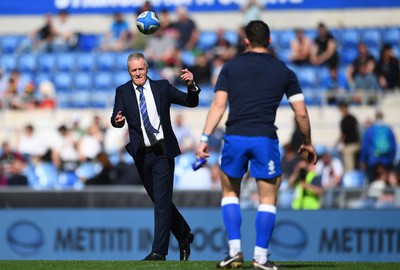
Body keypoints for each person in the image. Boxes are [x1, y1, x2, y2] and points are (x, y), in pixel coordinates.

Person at [195, 20, 317, 270]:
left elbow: (218, 105)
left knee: (230, 193)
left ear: (246, 40)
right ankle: (260, 258)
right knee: (268, 199)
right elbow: (301, 114)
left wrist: (204, 139)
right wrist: (307, 142)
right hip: (265, 138)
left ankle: (234, 252)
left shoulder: (230, 68)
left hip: (235, 137)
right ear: (269, 41)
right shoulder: (284, 71)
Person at [110, 52, 200, 261]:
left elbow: (190, 102)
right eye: (134, 70)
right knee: (160, 201)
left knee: (161, 203)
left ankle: (159, 252)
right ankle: (184, 234)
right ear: (129, 71)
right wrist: (117, 120)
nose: (138, 73)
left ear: (147, 68)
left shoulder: (162, 87)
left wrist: (192, 85)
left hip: (163, 152)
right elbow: (116, 117)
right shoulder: (122, 91)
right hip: (142, 154)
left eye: (141, 69)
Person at [360, 111, 397, 184]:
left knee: (372, 182)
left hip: (373, 160)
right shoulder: (388, 129)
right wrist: (391, 159)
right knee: (387, 181)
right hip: (387, 160)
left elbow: (365, 146)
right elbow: (393, 146)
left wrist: (363, 160)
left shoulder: (370, 130)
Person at [337, 101, 360, 172]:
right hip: (357, 144)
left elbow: (343, 135)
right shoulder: (354, 118)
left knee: (349, 168)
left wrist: (337, 143)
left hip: (349, 146)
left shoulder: (344, 121)